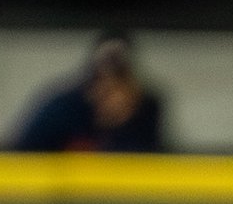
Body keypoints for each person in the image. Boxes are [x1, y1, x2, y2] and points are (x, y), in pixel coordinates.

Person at [12, 33, 168, 153]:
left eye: (119, 83)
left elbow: (150, 164)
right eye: (100, 82)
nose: (110, 95)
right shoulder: (62, 109)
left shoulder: (147, 109)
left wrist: (119, 126)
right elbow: (18, 159)